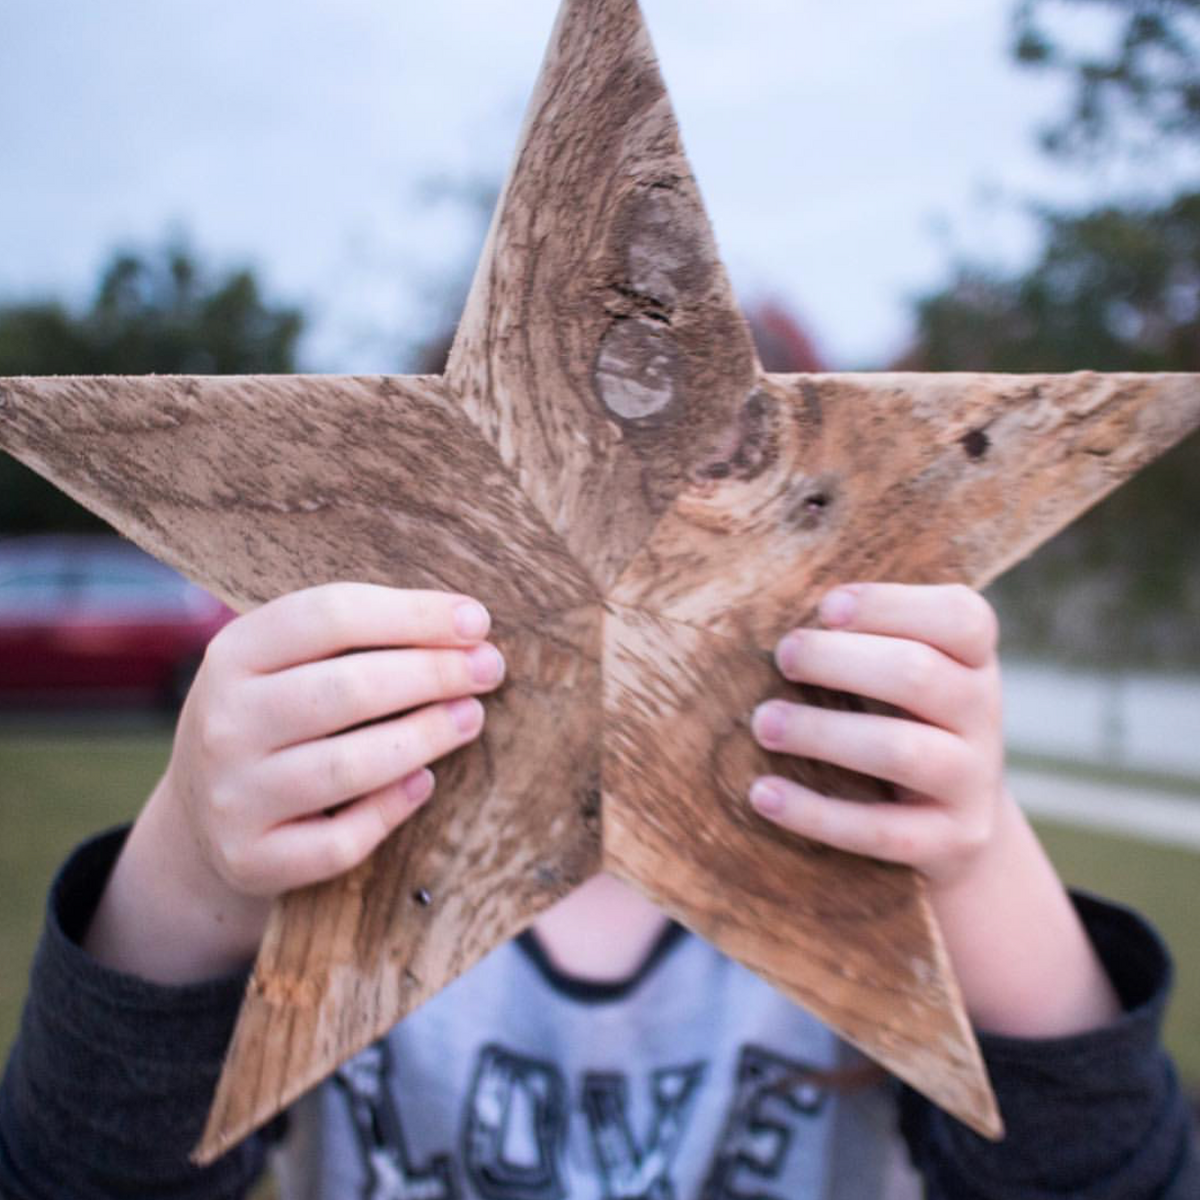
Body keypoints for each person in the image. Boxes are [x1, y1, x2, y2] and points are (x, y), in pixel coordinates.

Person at [1, 581, 1196, 1198]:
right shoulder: (351, 855)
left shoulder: (849, 872)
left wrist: (973, 859)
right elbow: (77, 1178)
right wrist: (191, 863)